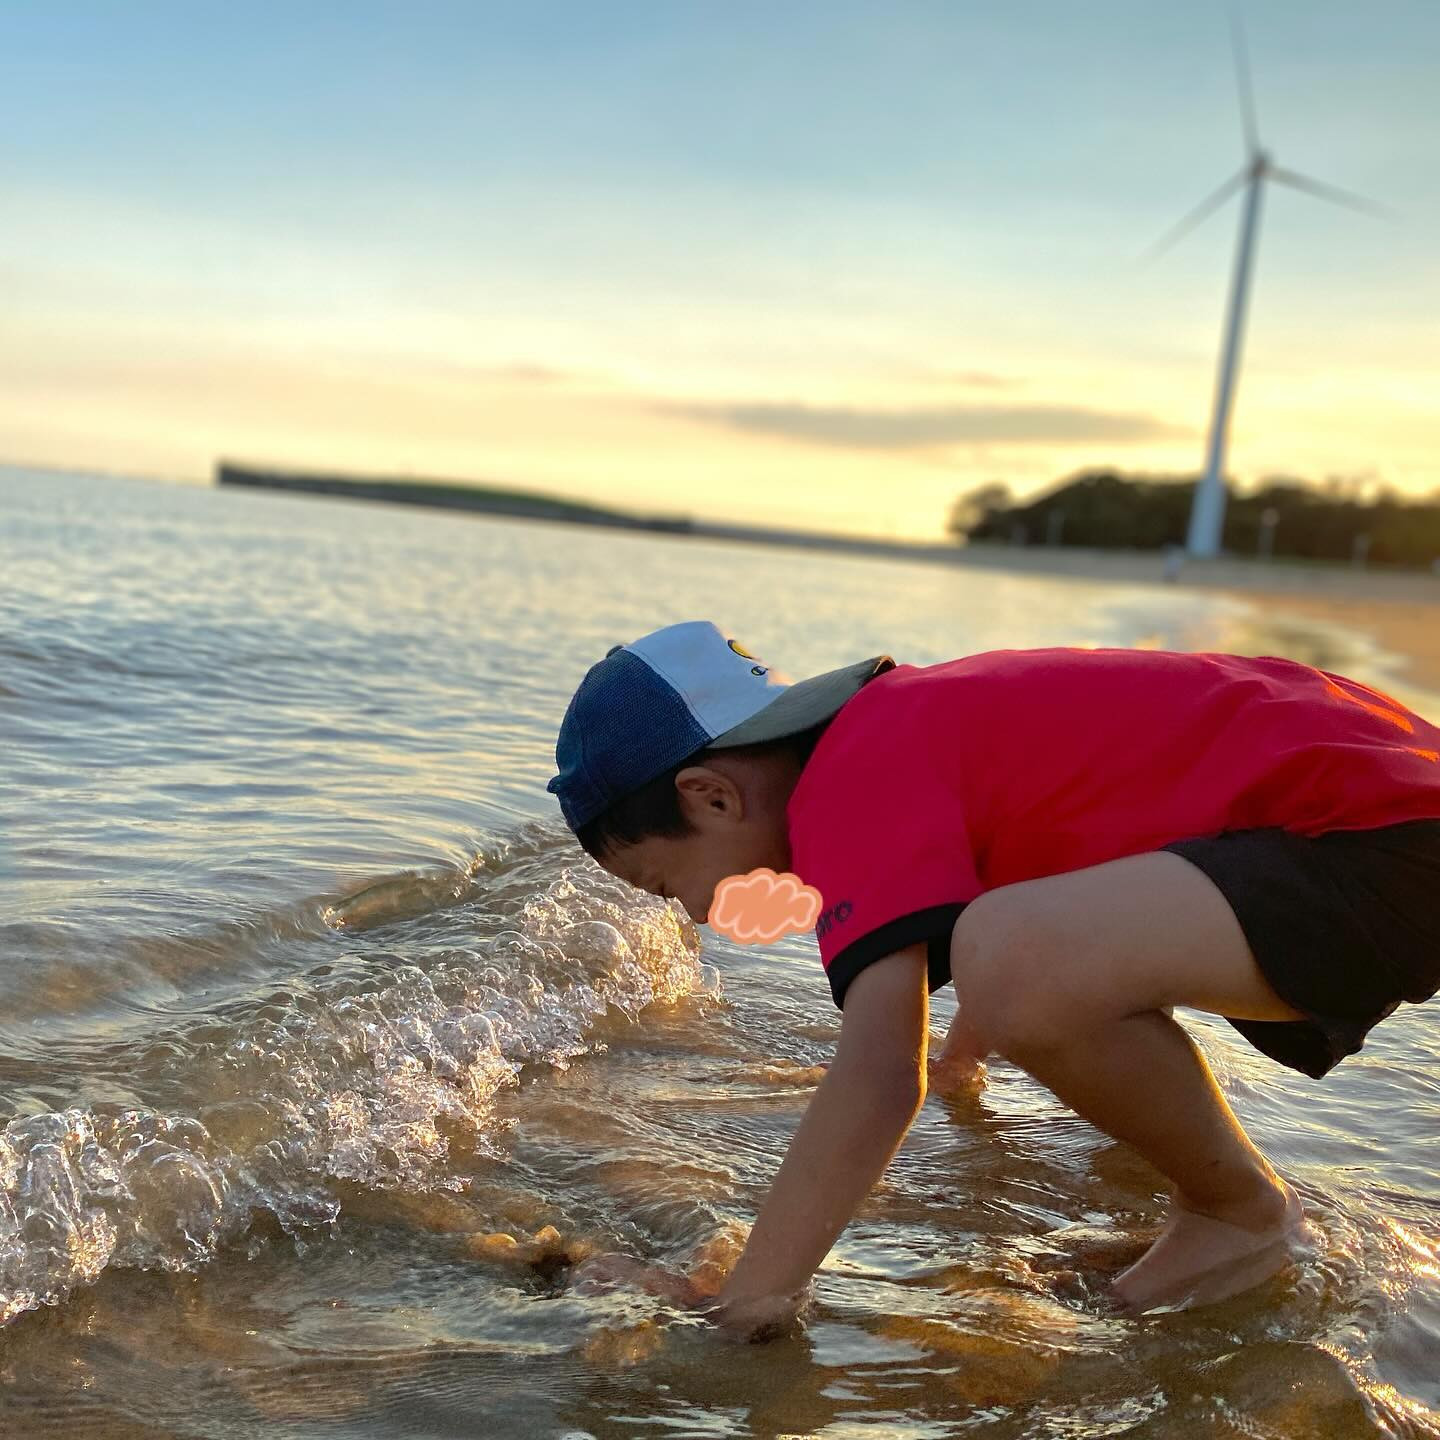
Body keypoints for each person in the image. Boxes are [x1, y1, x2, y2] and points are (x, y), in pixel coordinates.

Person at [544, 620, 1440, 1334]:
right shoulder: (903, 724)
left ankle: (1237, 1212)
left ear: (711, 796)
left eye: (665, 884)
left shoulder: (848, 783)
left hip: (1388, 846)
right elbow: (1026, 887)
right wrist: (966, 1065)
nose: (694, 914)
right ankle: (1219, 1203)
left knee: (1014, 952)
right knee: (1013, 943)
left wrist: (746, 1303)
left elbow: (883, 1072)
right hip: (1380, 811)